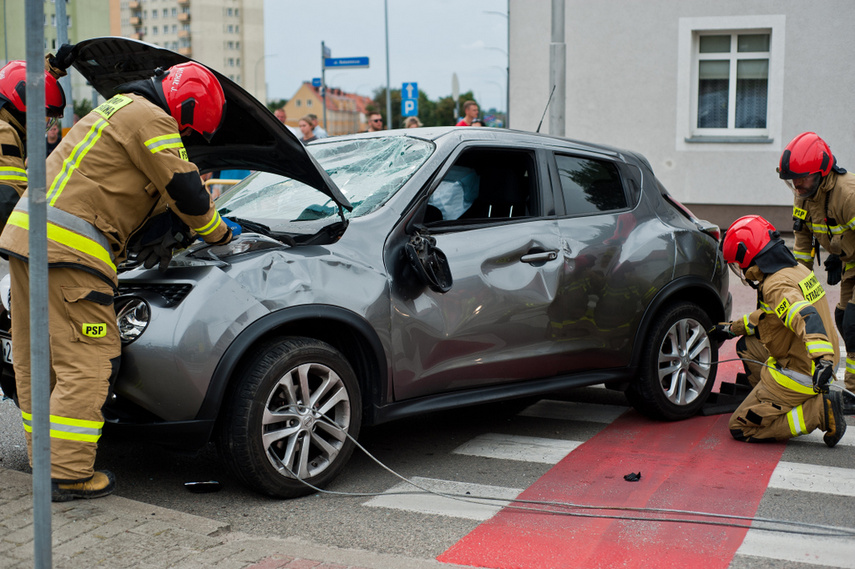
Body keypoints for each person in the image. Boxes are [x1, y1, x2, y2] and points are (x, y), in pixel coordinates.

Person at [0, 49, 239, 502]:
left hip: (26, 241)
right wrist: (221, 233)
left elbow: (115, 186)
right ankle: (68, 474)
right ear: (186, 109)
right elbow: (186, 190)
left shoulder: (114, 110)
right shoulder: (151, 119)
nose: (185, 137)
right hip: (70, 253)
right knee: (90, 359)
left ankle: (46, 462)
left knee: (38, 361)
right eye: (189, 130)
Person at [711, 215, 846, 447]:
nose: (740, 270)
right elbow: (767, 318)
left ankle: (818, 411)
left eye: (737, 264)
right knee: (746, 346)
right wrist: (732, 329)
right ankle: (770, 398)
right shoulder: (795, 269)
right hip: (816, 358)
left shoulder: (776, 285)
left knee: (741, 427)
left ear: (748, 255)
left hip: (803, 371)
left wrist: (821, 358)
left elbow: (803, 316)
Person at [780, 132, 855, 393]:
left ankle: (854, 391)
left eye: (802, 178)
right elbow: (802, 243)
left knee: (853, 322)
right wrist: (798, 284)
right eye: (793, 181)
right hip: (850, 261)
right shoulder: (805, 195)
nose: (797, 186)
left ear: (822, 171)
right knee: (843, 316)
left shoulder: (848, 194)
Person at [0, 60, 66, 231]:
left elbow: (20, 79)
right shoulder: (4, 133)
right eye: (40, 116)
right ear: (20, 108)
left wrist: (53, 68)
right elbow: (9, 197)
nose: (42, 126)